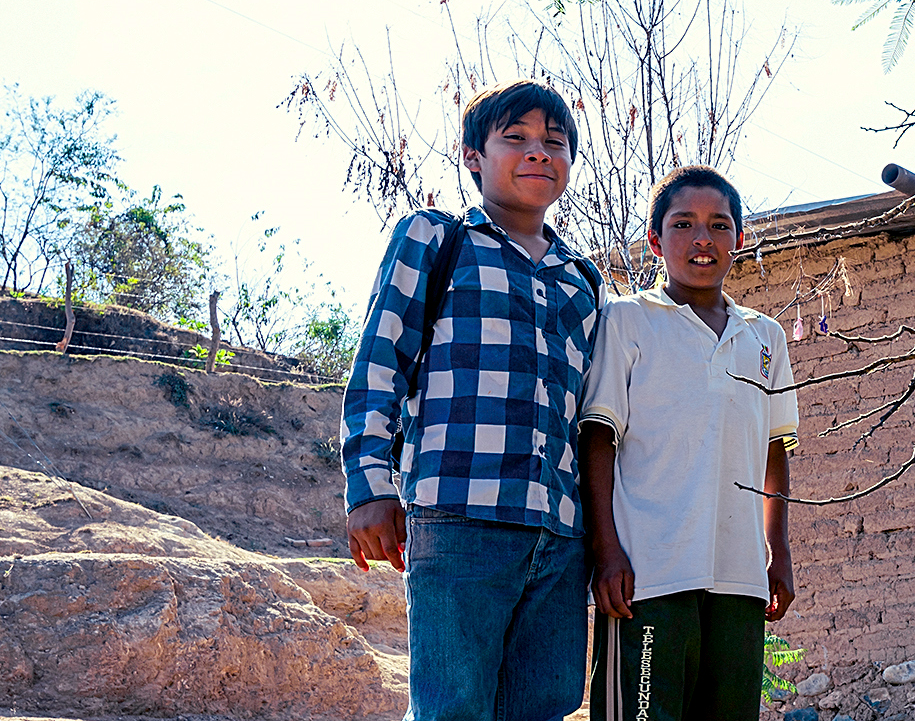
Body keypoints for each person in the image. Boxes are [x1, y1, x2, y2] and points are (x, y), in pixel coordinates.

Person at [340, 78, 601, 721]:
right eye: (515, 138)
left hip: (560, 535)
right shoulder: (436, 240)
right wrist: (369, 486)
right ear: (473, 155)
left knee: (545, 705)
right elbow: (381, 360)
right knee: (452, 708)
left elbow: (593, 417)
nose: (538, 152)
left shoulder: (584, 280)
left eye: (555, 142)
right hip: (460, 519)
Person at [579, 165, 797, 721]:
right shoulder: (628, 321)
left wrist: (778, 552)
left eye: (719, 225)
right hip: (648, 575)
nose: (703, 238)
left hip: (739, 577)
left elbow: (775, 449)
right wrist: (605, 552)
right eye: (684, 224)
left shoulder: (763, 336)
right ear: (655, 241)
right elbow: (598, 439)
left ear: (739, 239)